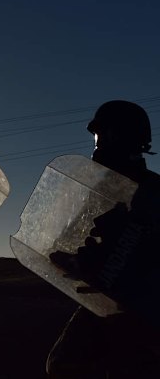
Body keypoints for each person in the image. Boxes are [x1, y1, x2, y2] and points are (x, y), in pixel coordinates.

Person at [47, 100, 160, 378]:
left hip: (142, 314)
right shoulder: (100, 189)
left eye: (101, 136)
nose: (97, 146)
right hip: (105, 301)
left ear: (117, 136)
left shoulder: (152, 190)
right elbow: (75, 242)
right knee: (63, 365)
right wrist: (73, 259)